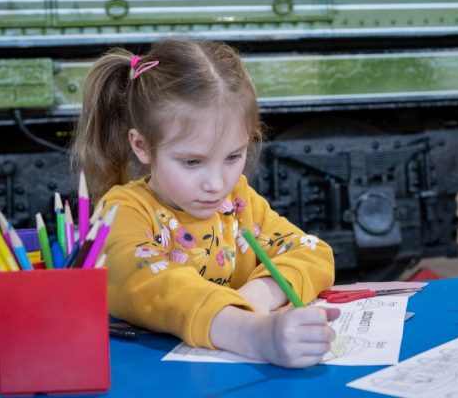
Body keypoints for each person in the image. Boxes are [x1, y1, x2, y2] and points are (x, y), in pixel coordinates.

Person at [72, 37, 338, 368]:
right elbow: (156, 285)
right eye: (192, 162)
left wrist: (262, 293)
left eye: (233, 156)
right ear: (142, 146)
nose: (216, 184)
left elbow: (313, 251)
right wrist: (252, 333)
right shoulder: (122, 212)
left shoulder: (238, 203)